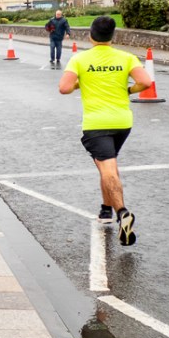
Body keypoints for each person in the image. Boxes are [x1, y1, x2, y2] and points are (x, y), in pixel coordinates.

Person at [59, 15, 152, 245]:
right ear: (113, 36)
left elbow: (64, 88)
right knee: (107, 166)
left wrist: (83, 82)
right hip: (122, 123)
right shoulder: (126, 58)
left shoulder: (80, 60)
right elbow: (147, 83)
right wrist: (129, 91)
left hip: (96, 124)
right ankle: (105, 210)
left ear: (90, 35)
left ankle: (122, 212)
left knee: (108, 169)